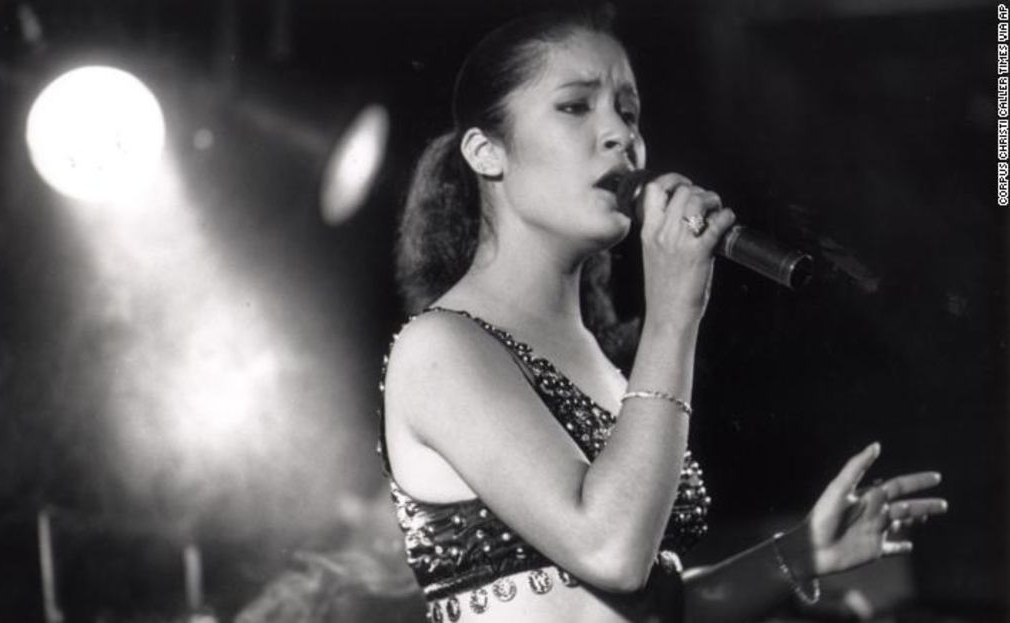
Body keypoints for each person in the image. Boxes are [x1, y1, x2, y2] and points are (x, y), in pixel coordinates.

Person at [378, 9, 947, 623]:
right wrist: (674, 311)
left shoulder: (599, 359)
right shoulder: (440, 348)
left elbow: (646, 606)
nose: (620, 134)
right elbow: (610, 549)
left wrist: (799, 552)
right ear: (487, 152)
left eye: (628, 110)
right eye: (576, 107)